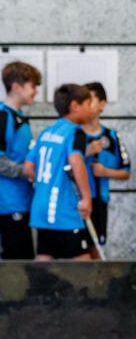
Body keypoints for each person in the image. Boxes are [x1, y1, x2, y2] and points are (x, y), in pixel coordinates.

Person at [24, 84, 94, 261]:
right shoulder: (76, 133)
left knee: (43, 265)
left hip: (41, 209)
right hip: (64, 210)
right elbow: (76, 162)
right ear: (75, 106)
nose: (91, 109)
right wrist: (86, 198)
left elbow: (28, 168)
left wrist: (47, 182)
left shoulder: (46, 133)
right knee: (84, 268)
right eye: (88, 104)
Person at [0, 61, 42, 259]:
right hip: (7, 201)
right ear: (16, 87)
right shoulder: (2, 116)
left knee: (25, 258)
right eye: (33, 86)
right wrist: (24, 171)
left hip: (21, 199)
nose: (36, 91)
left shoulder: (18, 116)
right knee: (17, 260)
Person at [83, 82, 131, 257]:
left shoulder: (111, 137)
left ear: (102, 104)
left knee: (95, 249)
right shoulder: (73, 135)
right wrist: (86, 152)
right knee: (75, 251)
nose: (86, 105)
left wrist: (105, 172)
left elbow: (126, 171)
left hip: (98, 201)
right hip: (74, 201)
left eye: (90, 100)